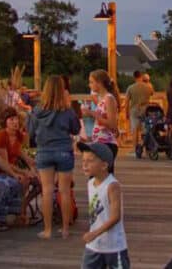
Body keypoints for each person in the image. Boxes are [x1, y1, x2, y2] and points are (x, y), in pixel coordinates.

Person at [29, 75, 81, 239]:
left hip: (44, 151)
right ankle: (65, 229)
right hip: (64, 150)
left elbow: (30, 133)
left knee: (47, 191)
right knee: (64, 191)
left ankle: (48, 230)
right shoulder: (67, 111)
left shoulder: (37, 111)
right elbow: (76, 129)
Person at [79, 141, 129, 269]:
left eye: (90, 161)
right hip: (94, 245)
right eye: (83, 160)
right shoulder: (90, 183)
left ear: (104, 165)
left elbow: (115, 217)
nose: (85, 164)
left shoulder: (112, 185)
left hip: (113, 246)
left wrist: (95, 233)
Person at [0, 107, 39, 225]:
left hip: (13, 168)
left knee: (40, 182)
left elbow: (22, 154)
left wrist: (33, 167)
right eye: (11, 119)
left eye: (16, 119)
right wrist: (24, 172)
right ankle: (20, 213)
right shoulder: (1, 136)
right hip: (1, 170)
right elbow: (5, 163)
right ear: (5, 122)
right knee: (24, 180)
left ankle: (23, 205)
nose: (15, 122)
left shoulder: (18, 135)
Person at [86, 70, 120, 159]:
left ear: (99, 83)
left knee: (103, 172)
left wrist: (93, 114)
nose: (89, 85)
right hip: (100, 143)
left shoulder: (109, 98)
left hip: (107, 143)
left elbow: (112, 124)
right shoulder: (102, 99)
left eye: (91, 82)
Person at [125, 71, 153, 148]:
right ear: (141, 76)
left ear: (134, 77)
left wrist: (126, 113)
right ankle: (147, 148)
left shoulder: (130, 87)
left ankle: (135, 149)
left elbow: (126, 101)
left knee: (135, 130)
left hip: (134, 110)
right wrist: (147, 81)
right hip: (146, 109)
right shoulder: (148, 86)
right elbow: (152, 93)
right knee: (146, 130)